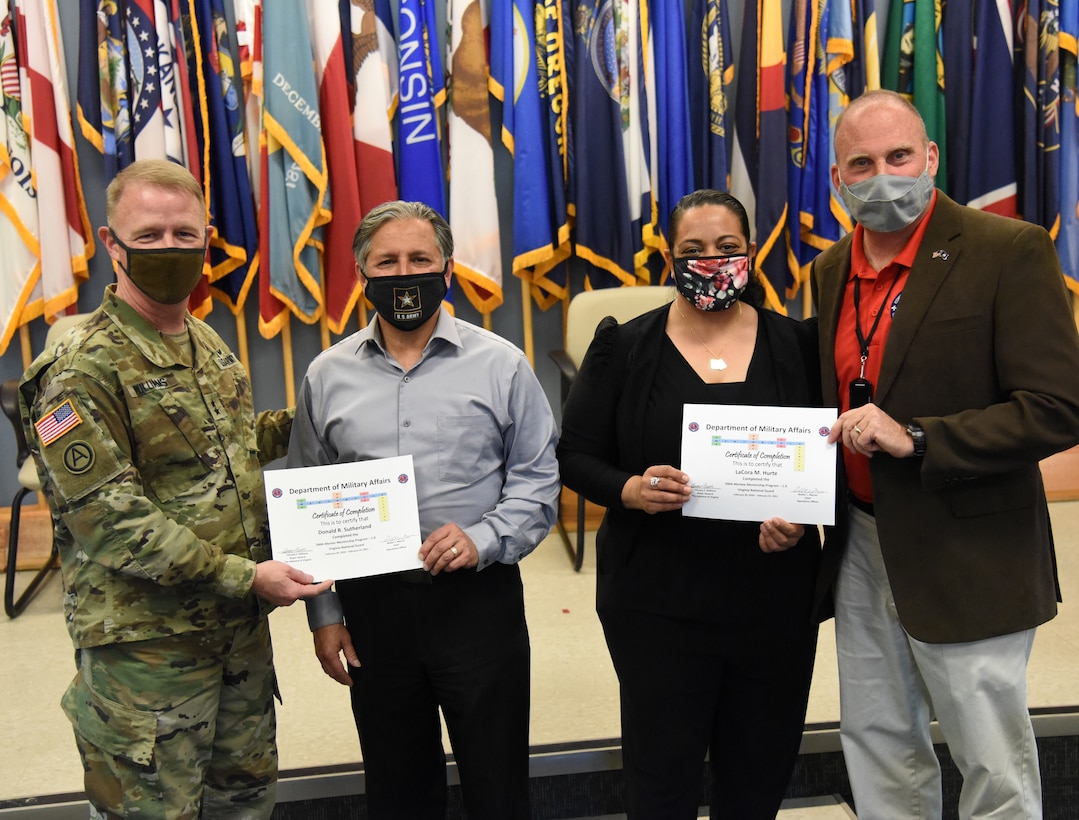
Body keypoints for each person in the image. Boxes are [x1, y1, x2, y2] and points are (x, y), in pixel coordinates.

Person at [17, 159, 332, 819]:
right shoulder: (72, 374)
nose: (169, 248)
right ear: (112, 244)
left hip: (236, 642)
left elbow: (235, 442)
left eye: (184, 235)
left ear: (206, 239)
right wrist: (249, 578)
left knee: (241, 805)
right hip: (149, 657)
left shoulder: (204, 340)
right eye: (150, 234)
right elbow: (113, 522)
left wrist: (329, 420)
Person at [812, 89, 1079, 819]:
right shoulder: (830, 270)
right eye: (860, 164)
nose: (882, 176)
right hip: (863, 544)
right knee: (877, 740)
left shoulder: (1007, 250)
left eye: (898, 157)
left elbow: (1058, 407)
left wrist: (920, 436)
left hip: (969, 544)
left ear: (930, 159)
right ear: (837, 180)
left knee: (990, 756)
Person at [557, 189, 836, 819]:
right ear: (668, 254)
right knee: (662, 778)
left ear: (751, 250)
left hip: (775, 601)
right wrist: (628, 489)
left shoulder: (798, 344)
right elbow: (573, 455)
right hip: (658, 602)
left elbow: (830, 456)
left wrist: (804, 515)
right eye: (694, 250)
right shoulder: (622, 348)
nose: (712, 260)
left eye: (728, 248)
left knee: (759, 772)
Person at [289, 200, 560, 820]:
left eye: (419, 259)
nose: (403, 272)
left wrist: (484, 538)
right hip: (373, 608)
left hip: (477, 599)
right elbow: (310, 494)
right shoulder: (327, 375)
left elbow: (537, 480)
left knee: (496, 782)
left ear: (448, 269)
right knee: (397, 783)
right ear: (362, 275)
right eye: (386, 261)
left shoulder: (501, 364)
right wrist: (324, 615)